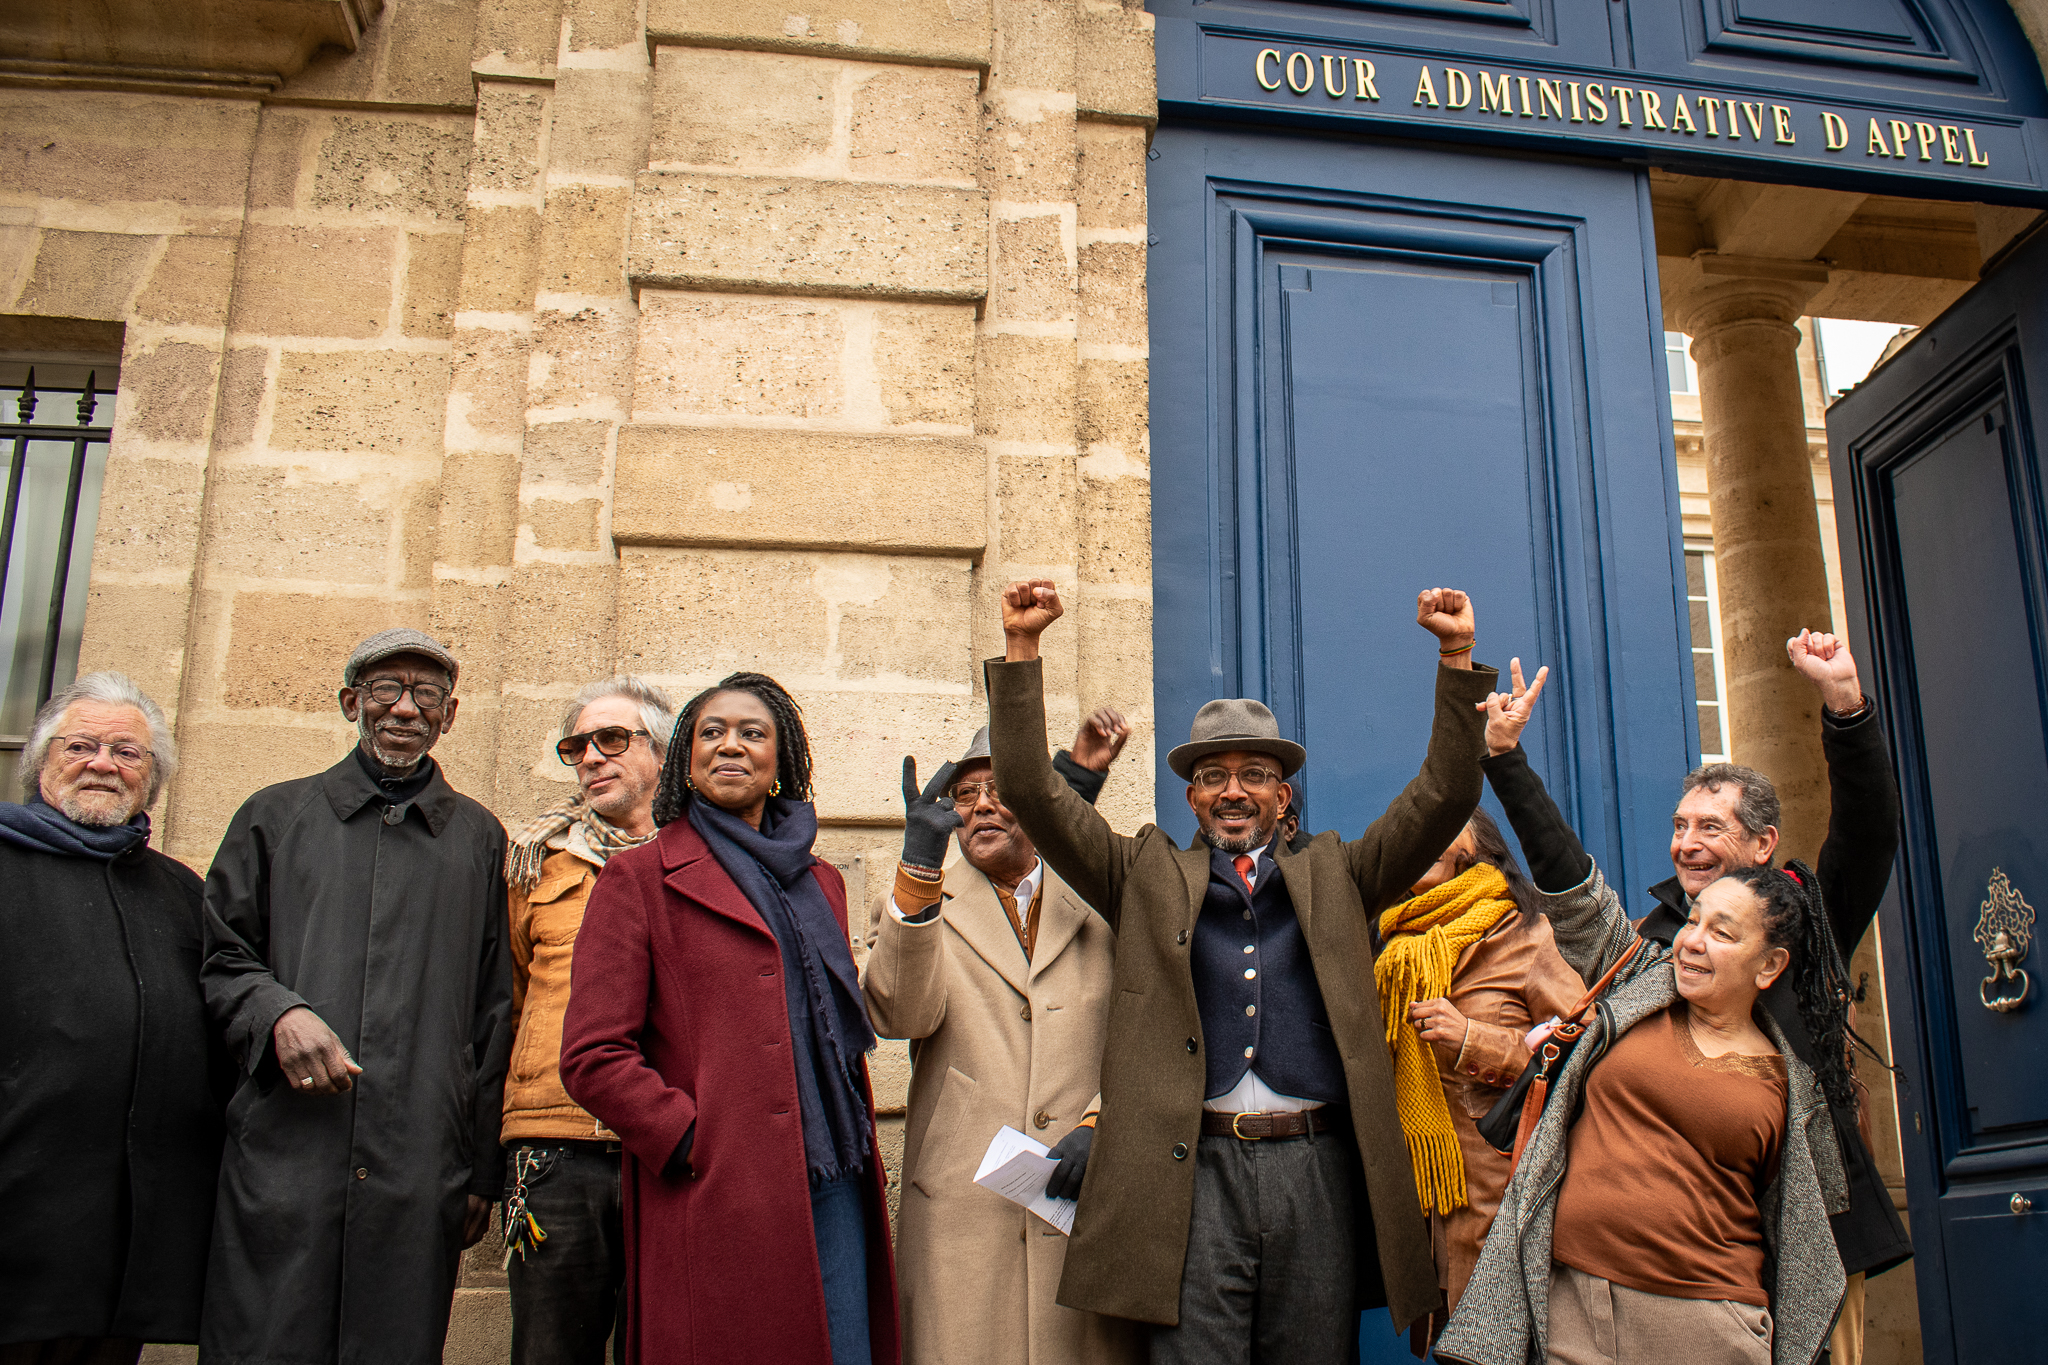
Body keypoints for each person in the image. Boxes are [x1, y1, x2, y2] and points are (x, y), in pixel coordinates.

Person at [984, 579, 1497, 1361]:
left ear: (1281, 794)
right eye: (1214, 776)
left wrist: (1456, 656)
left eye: (1254, 773)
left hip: (1316, 1170)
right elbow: (1031, 790)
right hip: (1190, 1173)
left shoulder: (1341, 872)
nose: (1234, 789)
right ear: (1191, 797)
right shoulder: (1141, 872)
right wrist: (1023, 648)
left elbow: (1445, 792)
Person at [1484, 632, 1908, 1363]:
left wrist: (1844, 703)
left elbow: (1868, 833)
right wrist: (1505, 758)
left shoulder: (1805, 922)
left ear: (1764, 842)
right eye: (1679, 826)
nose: (1685, 843)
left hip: (1805, 1243)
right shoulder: (1648, 944)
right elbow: (1569, 877)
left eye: (1710, 826)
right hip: (1646, 1281)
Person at [559, 672, 898, 1365]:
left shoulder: (820, 880)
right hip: (717, 1189)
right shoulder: (639, 878)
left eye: (752, 732)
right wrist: (691, 1138)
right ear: (686, 757)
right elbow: (592, 1054)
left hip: (834, 1177)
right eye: (711, 732)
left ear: (781, 761)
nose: (730, 745)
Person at [200, 628, 513, 1365]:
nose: (405, 708)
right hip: (286, 1151)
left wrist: (479, 1168)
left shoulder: (479, 837)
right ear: (351, 702)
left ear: (451, 714)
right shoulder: (272, 817)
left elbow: (496, 1008)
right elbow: (220, 956)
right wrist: (278, 1011)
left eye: (425, 694)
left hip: (419, 1161)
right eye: (385, 690)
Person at [864, 711, 1144, 1365]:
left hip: (1088, 1208)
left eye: (1003, 790)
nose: (983, 806)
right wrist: (917, 868)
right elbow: (898, 1015)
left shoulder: (1106, 892)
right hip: (966, 1220)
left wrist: (1105, 1119)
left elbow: (1158, 1028)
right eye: (966, 794)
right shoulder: (919, 900)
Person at [1, 674, 221, 1365]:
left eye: (128, 752)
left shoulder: (180, 891)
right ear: (42, 761)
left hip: (126, 1238)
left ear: (152, 778)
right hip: (16, 1214)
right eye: (83, 745)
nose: (103, 763)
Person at [500, 677, 678, 1365]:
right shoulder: (535, 864)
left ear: (662, 752)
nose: (592, 758)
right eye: (578, 745)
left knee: (663, 1346)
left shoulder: (700, 862)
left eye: (613, 739)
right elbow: (512, 995)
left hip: (663, 1144)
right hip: (553, 1147)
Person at [1373, 804, 1583, 1321]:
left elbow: (1584, 1054)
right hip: (1425, 1206)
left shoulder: (1527, 936)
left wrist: (1473, 1040)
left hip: (1503, 1202)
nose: (1422, 839)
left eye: (1439, 829)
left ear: (1478, 852)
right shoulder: (1391, 944)